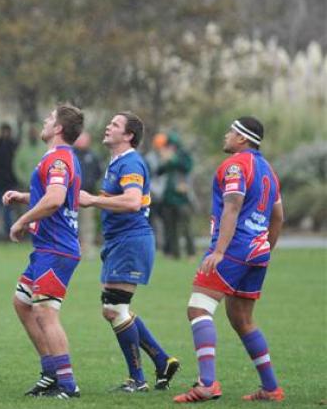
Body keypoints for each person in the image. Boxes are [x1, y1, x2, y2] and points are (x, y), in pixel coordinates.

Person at [174, 117, 285, 403]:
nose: (226, 135)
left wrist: (220, 251)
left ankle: (207, 384)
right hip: (257, 252)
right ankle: (271, 388)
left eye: (231, 132)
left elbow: (232, 207)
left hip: (234, 249)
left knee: (198, 309)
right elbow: (278, 217)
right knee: (242, 320)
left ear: (242, 139)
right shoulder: (269, 171)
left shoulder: (235, 165)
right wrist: (264, 249)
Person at [79, 112, 180, 393]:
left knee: (113, 309)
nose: (108, 126)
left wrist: (93, 200)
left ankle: (138, 379)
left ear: (128, 136)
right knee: (113, 308)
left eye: (115, 124)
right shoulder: (117, 162)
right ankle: (162, 361)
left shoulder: (132, 162)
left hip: (131, 240)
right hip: (119, 241)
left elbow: (134, 201)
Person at [2, 104, 84, 399]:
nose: (45, 121)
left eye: (50, 118)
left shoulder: (60, 160)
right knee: (22, 303)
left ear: (59, 128)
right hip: (45, 248)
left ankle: (68, 383)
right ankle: (50, 373)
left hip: (57, 248)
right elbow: (51, 196)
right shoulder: (55, 158)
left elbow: (55, 199)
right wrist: (24, 197)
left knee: (45, 312)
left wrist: (22, 221)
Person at [158, 133, 196, 259]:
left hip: (182, 197)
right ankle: (175, 254)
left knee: (186, 227)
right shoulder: (165, 155)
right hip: (167, 197)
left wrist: (173, 159)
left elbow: (187, 167)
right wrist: (164, 160)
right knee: (170, 228)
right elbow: (159, 171)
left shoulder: (182, 155)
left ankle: (191, 253)